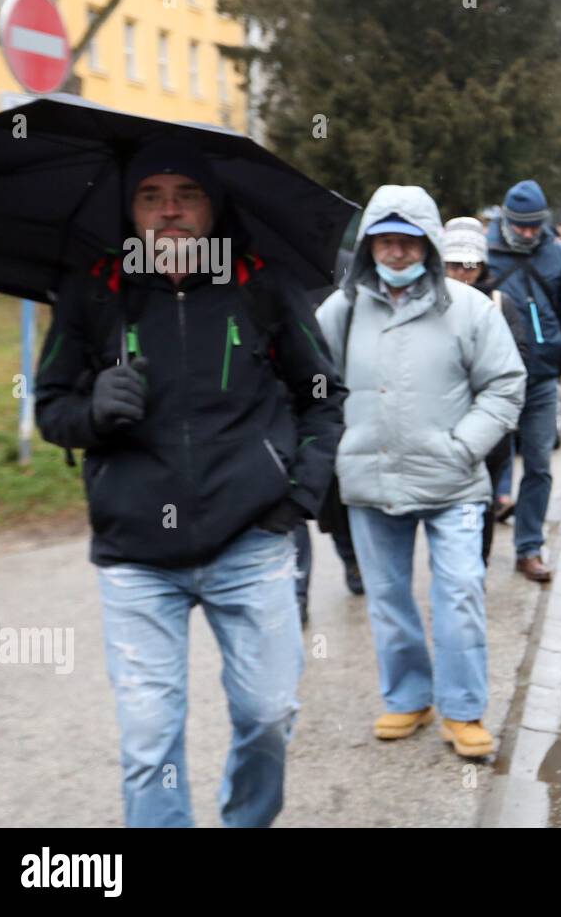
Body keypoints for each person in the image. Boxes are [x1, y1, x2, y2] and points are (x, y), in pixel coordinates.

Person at [34, 138, 345, 827]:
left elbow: (322, 391)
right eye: (151, 195)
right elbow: (50, 407)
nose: (169, 211)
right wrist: (92, 411)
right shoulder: (92, 291)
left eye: (186, 194)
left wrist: (296, 497)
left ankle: (246, 820)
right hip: (136, 556)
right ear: (131, 208)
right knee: (149, 740)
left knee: (269, 713)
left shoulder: (260, 283)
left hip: (252, 543)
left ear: (212, 206)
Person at [316, 186, 525, 758]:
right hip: (368, 481)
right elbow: (311, 383)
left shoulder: (470, 309)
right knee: (387, 596)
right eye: (386, 240)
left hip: (453, 481)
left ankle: (463, 710)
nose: (398, 253)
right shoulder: (342, 310)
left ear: (429, 245)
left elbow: (505, 386)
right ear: (368, 246)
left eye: (409, 242)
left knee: (459, 591)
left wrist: (464, 447)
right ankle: (408, 696)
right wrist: (337, 446)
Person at [486, 180, 561, 583]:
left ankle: (528, 547)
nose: (529, 234)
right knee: (484, 464)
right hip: (491, 382)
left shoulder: (555, 254)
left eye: (536, 226)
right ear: (506, 219)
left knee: (539, 463)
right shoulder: (484, 253)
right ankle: (474, 549)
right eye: (522, 226)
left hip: (541, 378)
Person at [441, 215, 530, 564]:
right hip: (444, 422)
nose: (463, 273)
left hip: (488, 425)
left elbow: (518, 360)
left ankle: (479, 562)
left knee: (484, 497)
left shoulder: (498, 303)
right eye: (454, 265)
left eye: (470, 265)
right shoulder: (431, 305)